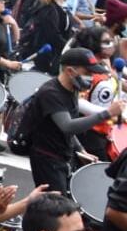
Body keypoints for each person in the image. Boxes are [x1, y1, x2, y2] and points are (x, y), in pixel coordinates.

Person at [27, 47, 123, 193]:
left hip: (61, 156)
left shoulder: (72, 90)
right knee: (55, 203)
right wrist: (107, 113)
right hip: (46, 158)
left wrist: (80, 150)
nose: (91, 77)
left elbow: (66, 130)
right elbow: (67, 126)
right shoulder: (51, 93)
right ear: (70, 71)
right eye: (88, 73)